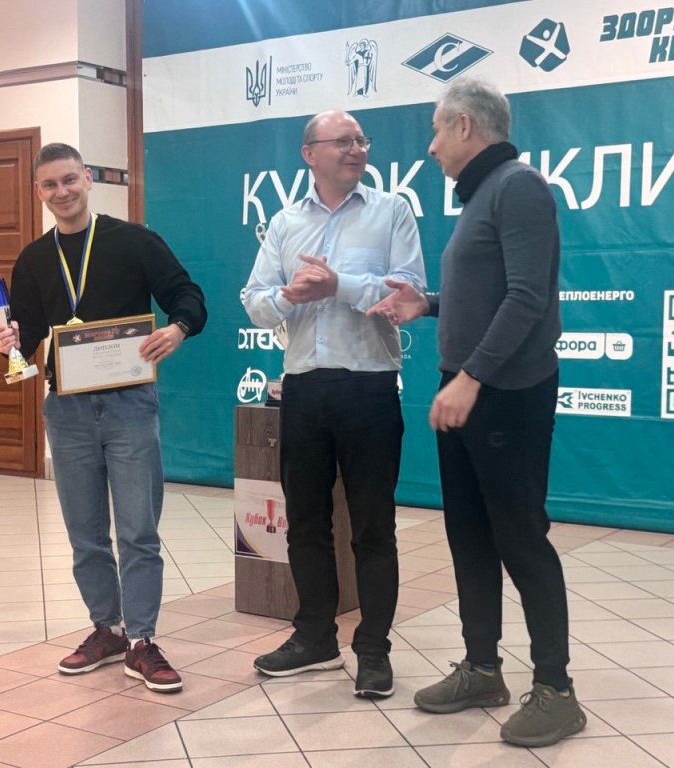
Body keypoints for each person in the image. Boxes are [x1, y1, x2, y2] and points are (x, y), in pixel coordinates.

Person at [367, 77, 586, 747]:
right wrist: (427, 304)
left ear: (465, 125)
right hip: (469, 391)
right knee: (468, 534)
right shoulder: (484, 195)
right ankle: (483, 668)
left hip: (507, 396)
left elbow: (526, 298)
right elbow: (488, 291)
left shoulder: (520, 187)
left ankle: (557, 691)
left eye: (437, 130)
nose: (431, 147)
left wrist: (471, 378)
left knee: (520, 537)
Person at [0, 143, 206, 693]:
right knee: (85, 532)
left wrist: (177, 329)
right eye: (50, 185)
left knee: (138, 531)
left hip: (129, 404)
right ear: (38, 193)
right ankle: (106, 630)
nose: (61, 192)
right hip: (67, 411)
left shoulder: (134, 241)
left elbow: (188, 295)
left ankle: (142, 640)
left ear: (87, 179)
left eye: (69, 179)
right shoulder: (34, 259)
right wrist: (10, 339)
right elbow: (27, 335)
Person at [241, 111, 426, 698]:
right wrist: (288, 296)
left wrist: (337, 285)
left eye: (361, 140)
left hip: (369, 387)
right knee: (305, 524)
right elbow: (254, 301)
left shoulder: (392, 211)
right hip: (303, 389)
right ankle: (315, 638)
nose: (356, 149)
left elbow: (408, 292)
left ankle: (373, 650)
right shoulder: (284, 222)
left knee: (373, 528)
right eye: (343, 141)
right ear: (309, 154)